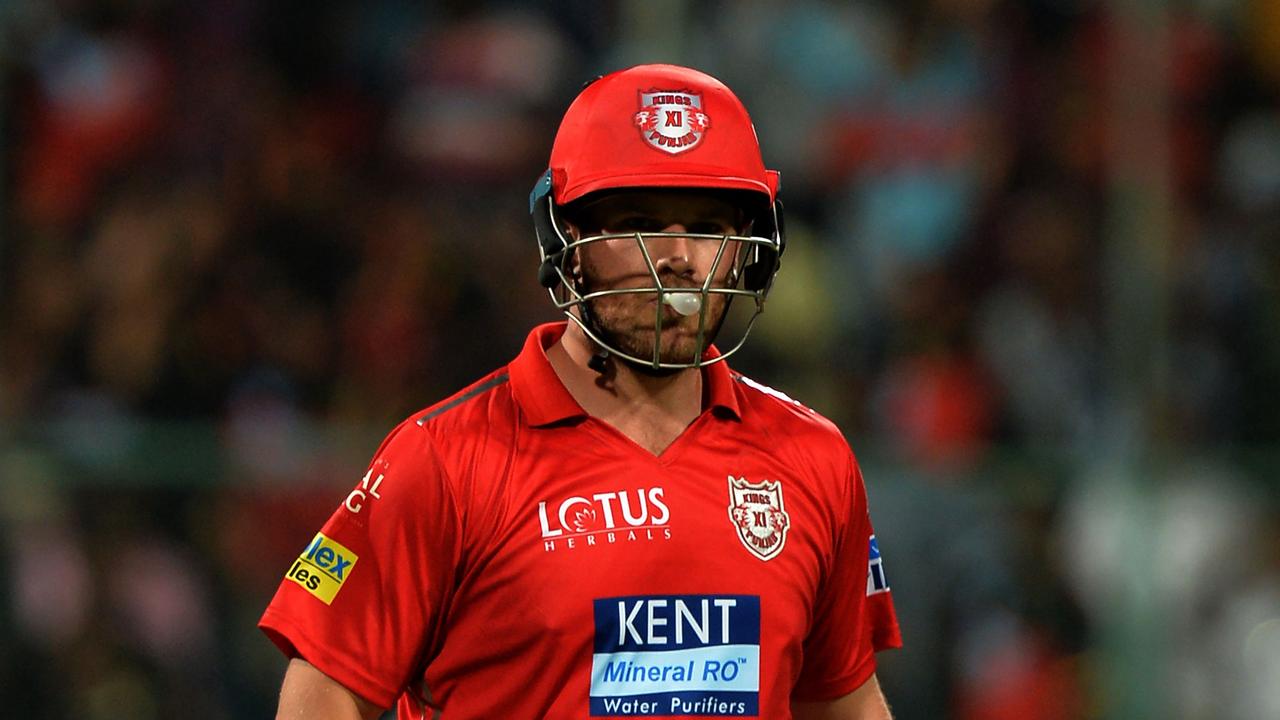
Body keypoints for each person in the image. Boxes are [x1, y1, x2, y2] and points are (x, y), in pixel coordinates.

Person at [259, 63, 902, 719]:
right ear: (565, 242)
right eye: (640, 222)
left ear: (748, 249)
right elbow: (325, 691)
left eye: (707, 226)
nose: (677, 258)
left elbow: (842, 697)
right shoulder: (441, 463)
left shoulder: (813, 459)